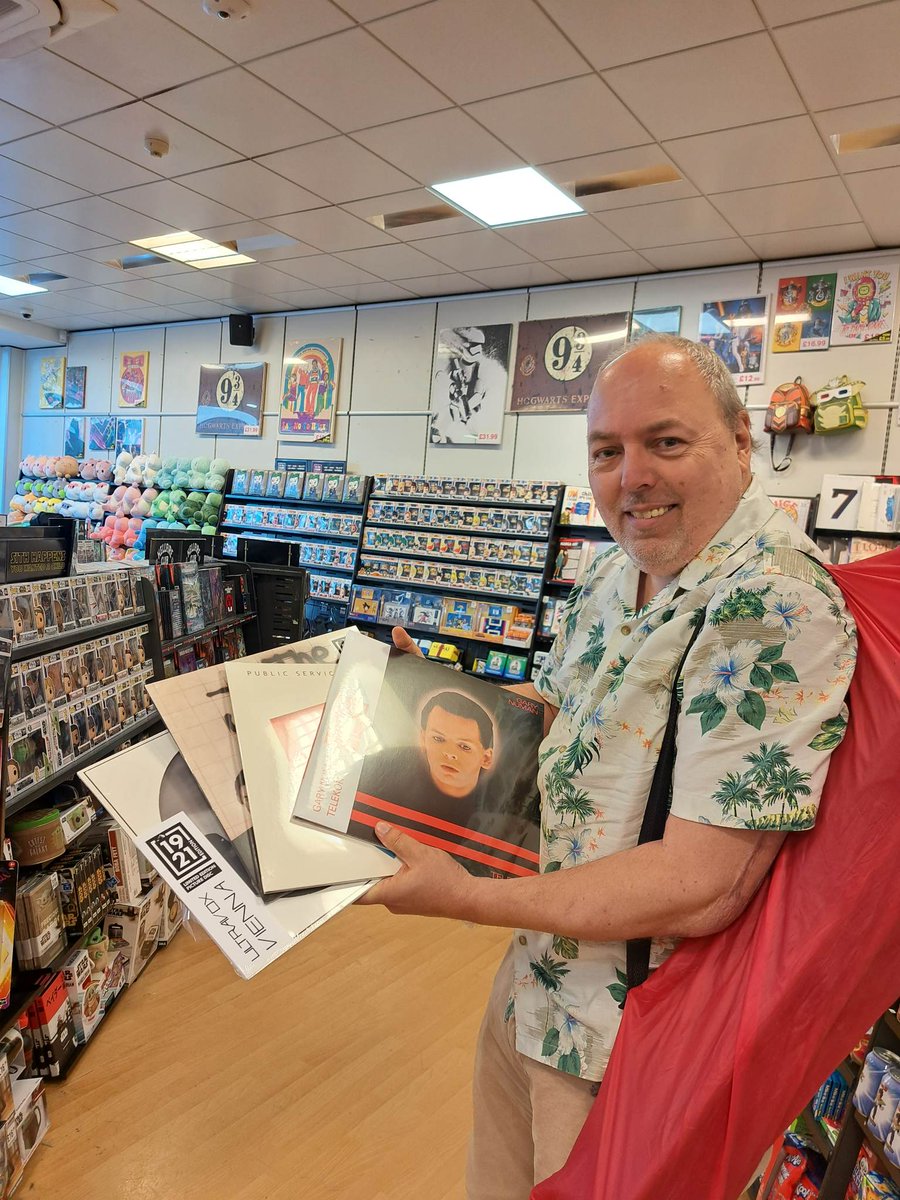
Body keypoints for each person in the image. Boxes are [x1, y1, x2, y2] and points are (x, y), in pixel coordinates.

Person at [359, 335, 856, 1198]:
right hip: (535, 984)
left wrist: (469, 897)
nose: (632, 476)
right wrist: (438, 695)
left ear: (740, 442)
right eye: (606, 451)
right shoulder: (611, 571)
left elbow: (705, 882)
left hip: (630, 1041)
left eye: (667, 442)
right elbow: (561, 717)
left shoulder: (774, 604)